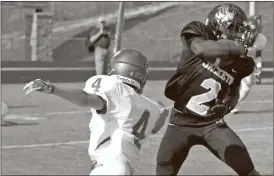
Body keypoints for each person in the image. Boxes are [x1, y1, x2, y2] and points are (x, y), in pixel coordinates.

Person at [23, 48, 169, 175]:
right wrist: (162, 112)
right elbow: (155, 127)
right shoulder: (151, 107)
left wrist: (52, 89)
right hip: (124, 165)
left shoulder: (114, 88)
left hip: (110, 164)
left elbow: (86, 99)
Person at [156, 3, 260, 176]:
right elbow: (202, 48)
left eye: (240, 29)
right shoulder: (199, 32)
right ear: (219, 25)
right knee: (164, 168)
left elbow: (233, 93)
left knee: (246, 168)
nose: (240, 34)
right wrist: (237, 48)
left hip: (211, 124)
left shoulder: (241, 63)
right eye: (235, 28)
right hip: (180, 123)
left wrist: (226, 107)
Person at [231, 15, 267, 114]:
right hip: (233, 61)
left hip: (247, 63)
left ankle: (234, 105)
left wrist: (259, 66)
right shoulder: (238, 36)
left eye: (254, 29)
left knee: (247, 85)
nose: (252, 33)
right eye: (250, 29)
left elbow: (258, 54)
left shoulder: (260, 39)